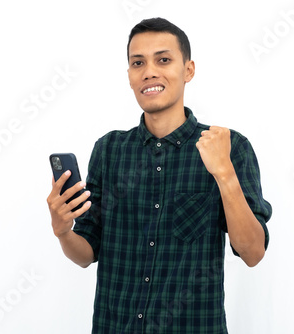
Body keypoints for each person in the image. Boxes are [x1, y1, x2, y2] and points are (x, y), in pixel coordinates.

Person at [47, 17, 272, 334]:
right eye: (138, 62)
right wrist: (63, 231)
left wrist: (225, 175)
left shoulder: (230, 147)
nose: (149, 71)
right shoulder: (108, 150)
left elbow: (252, 253)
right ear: (129, 76)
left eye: (163, 59)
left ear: (188, 70)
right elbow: (85, 254)